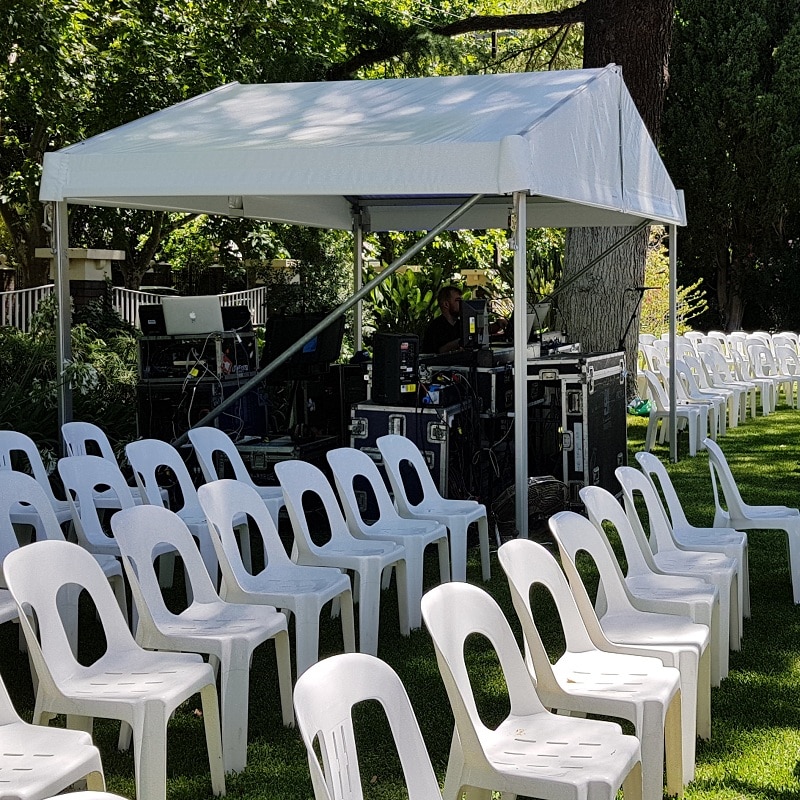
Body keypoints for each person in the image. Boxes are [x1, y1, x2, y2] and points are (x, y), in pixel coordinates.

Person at [422, 285, 462, 353]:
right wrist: (459, 342)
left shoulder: (461, 325)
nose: (461, 304)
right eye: (457, 300)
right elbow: (434, 353)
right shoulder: (435, 328)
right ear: (446, 304)